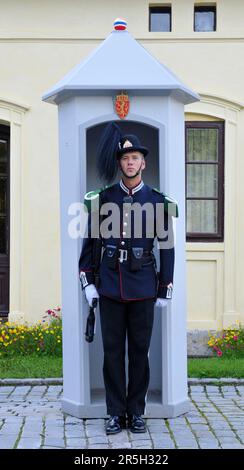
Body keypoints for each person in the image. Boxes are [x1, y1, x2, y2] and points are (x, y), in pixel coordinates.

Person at [78, 122, 177, 435]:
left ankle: (135, 412)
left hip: (145, 286)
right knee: (112, 353)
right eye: (125, 158)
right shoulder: (102, 199)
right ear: (118, 163)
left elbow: (168, 248)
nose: (130, 162)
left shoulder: (159, 201)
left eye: (135, 157)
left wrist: (165, 287)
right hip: (109, 286)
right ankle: (114, 412)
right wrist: (88, 282)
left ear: (144, 163)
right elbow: (90, 245)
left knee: (139, 352)